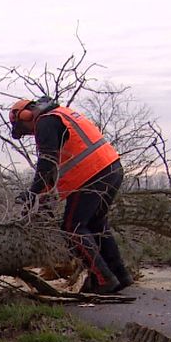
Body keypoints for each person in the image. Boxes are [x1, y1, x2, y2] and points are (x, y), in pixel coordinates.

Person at [9, 97, 132, 294]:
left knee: (72, 228)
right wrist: (39, 197)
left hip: (91, 174)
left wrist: (32, 193)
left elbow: (47, 162)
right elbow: (50, 172)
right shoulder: (61, 114)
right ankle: (120, 276)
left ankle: (103, 279)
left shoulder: (46, 121)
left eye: (26, 129)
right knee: (96, 224)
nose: (31, 133)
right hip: (111, 168)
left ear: (26, 114)